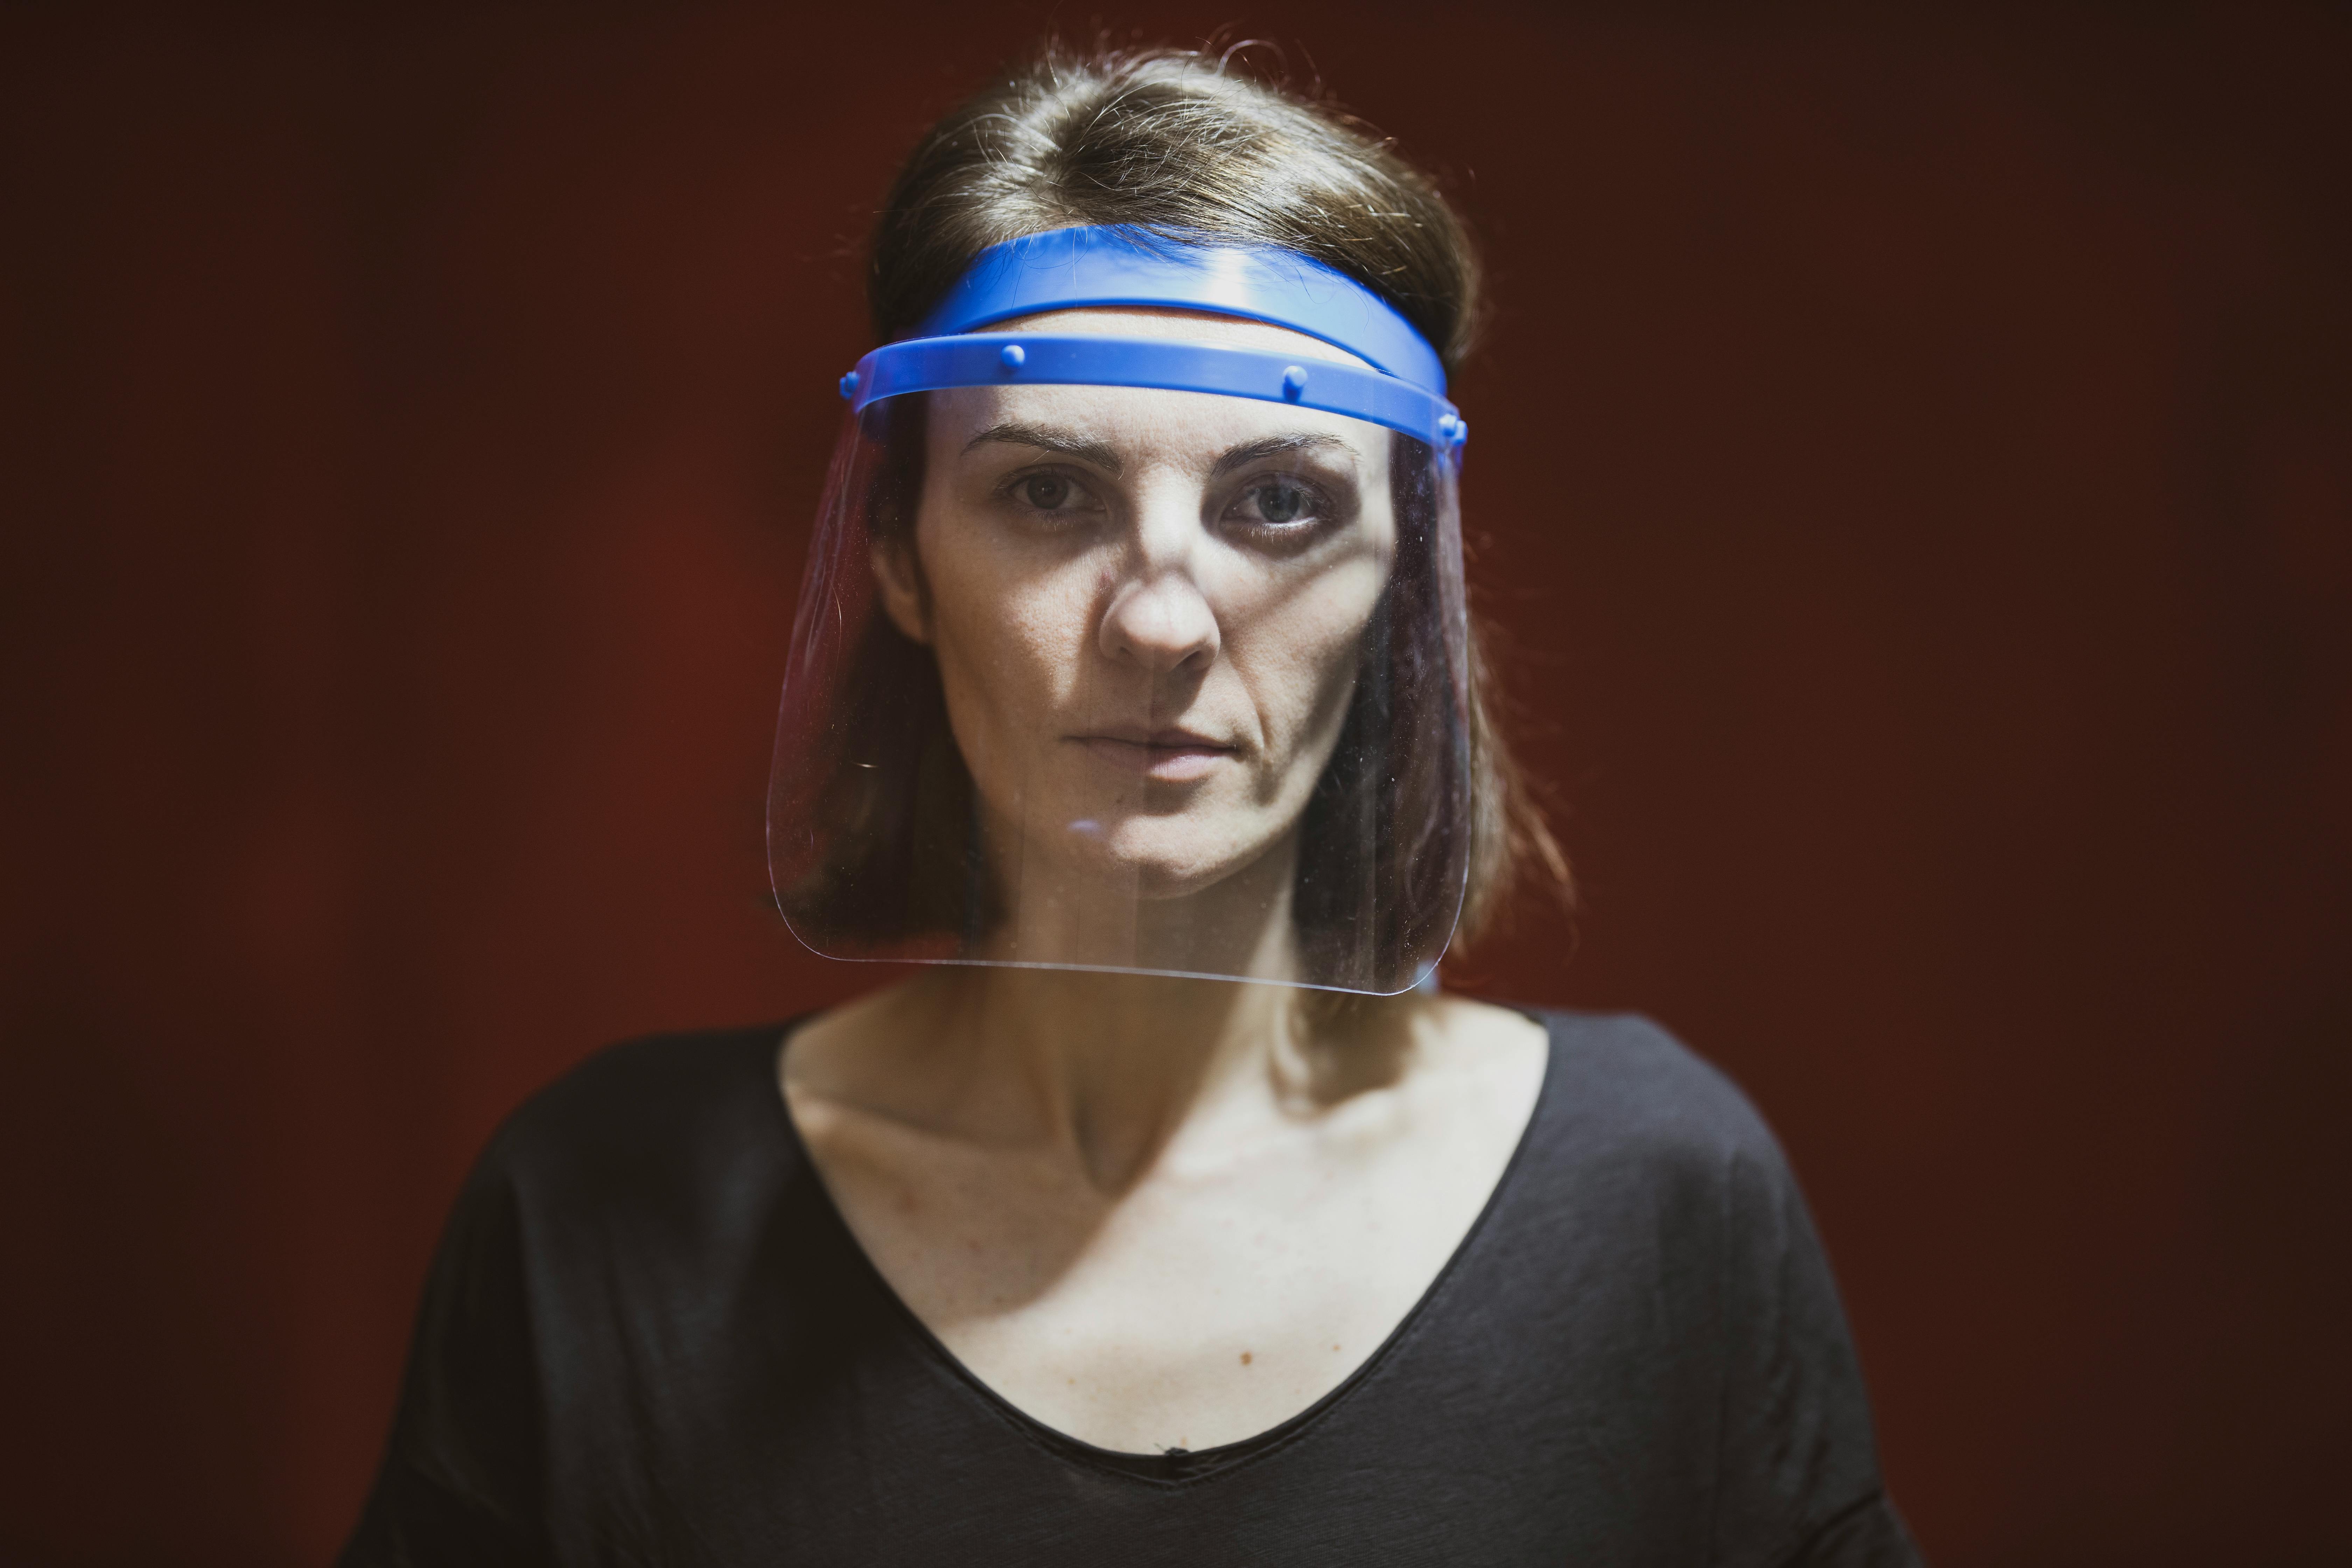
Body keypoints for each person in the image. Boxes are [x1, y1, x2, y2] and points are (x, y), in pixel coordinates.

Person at [342, 44, 1921, 1567]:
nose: (1162, 620)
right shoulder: (603, 1218)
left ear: (1398, 576)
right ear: (898, 552)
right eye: (1048, 491)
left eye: (1280, 502)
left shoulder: (1653, 1197)